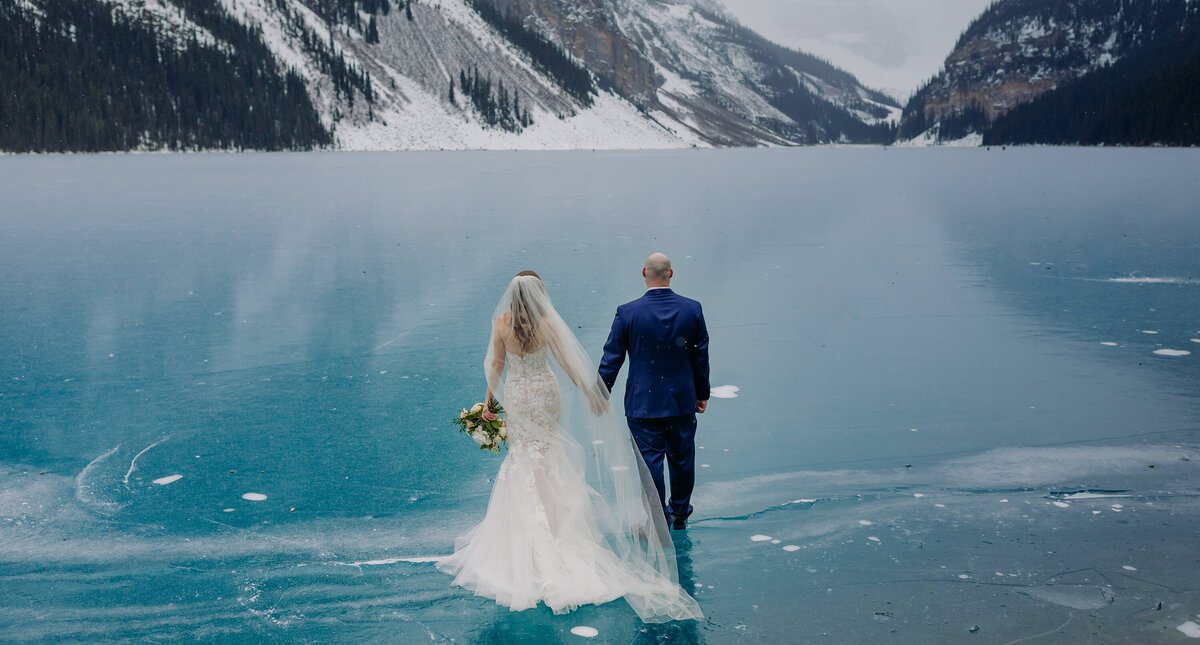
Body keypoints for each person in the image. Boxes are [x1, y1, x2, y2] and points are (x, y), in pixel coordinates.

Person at [437, 271, 702, 623]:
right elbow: (566, 363)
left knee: (522, 458)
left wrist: (488, 403)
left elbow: (496, 365)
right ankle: (561, 528)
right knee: (549, 453)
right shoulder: (546, 324)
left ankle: (528, 538)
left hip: (517, 396)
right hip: (546, 396)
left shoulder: (501, 323)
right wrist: (594, 392)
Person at [599, 253, 710, 531]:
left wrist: (600, 393)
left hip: (643, 403)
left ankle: (657, 519)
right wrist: (702, 392)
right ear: (671, 274)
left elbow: (612, 358)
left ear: (643, 273)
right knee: (682, 459)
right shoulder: (692, 309)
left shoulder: (627, 313)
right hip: (681, 401)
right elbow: (700, 356)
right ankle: (680, 513)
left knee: (650, 465)